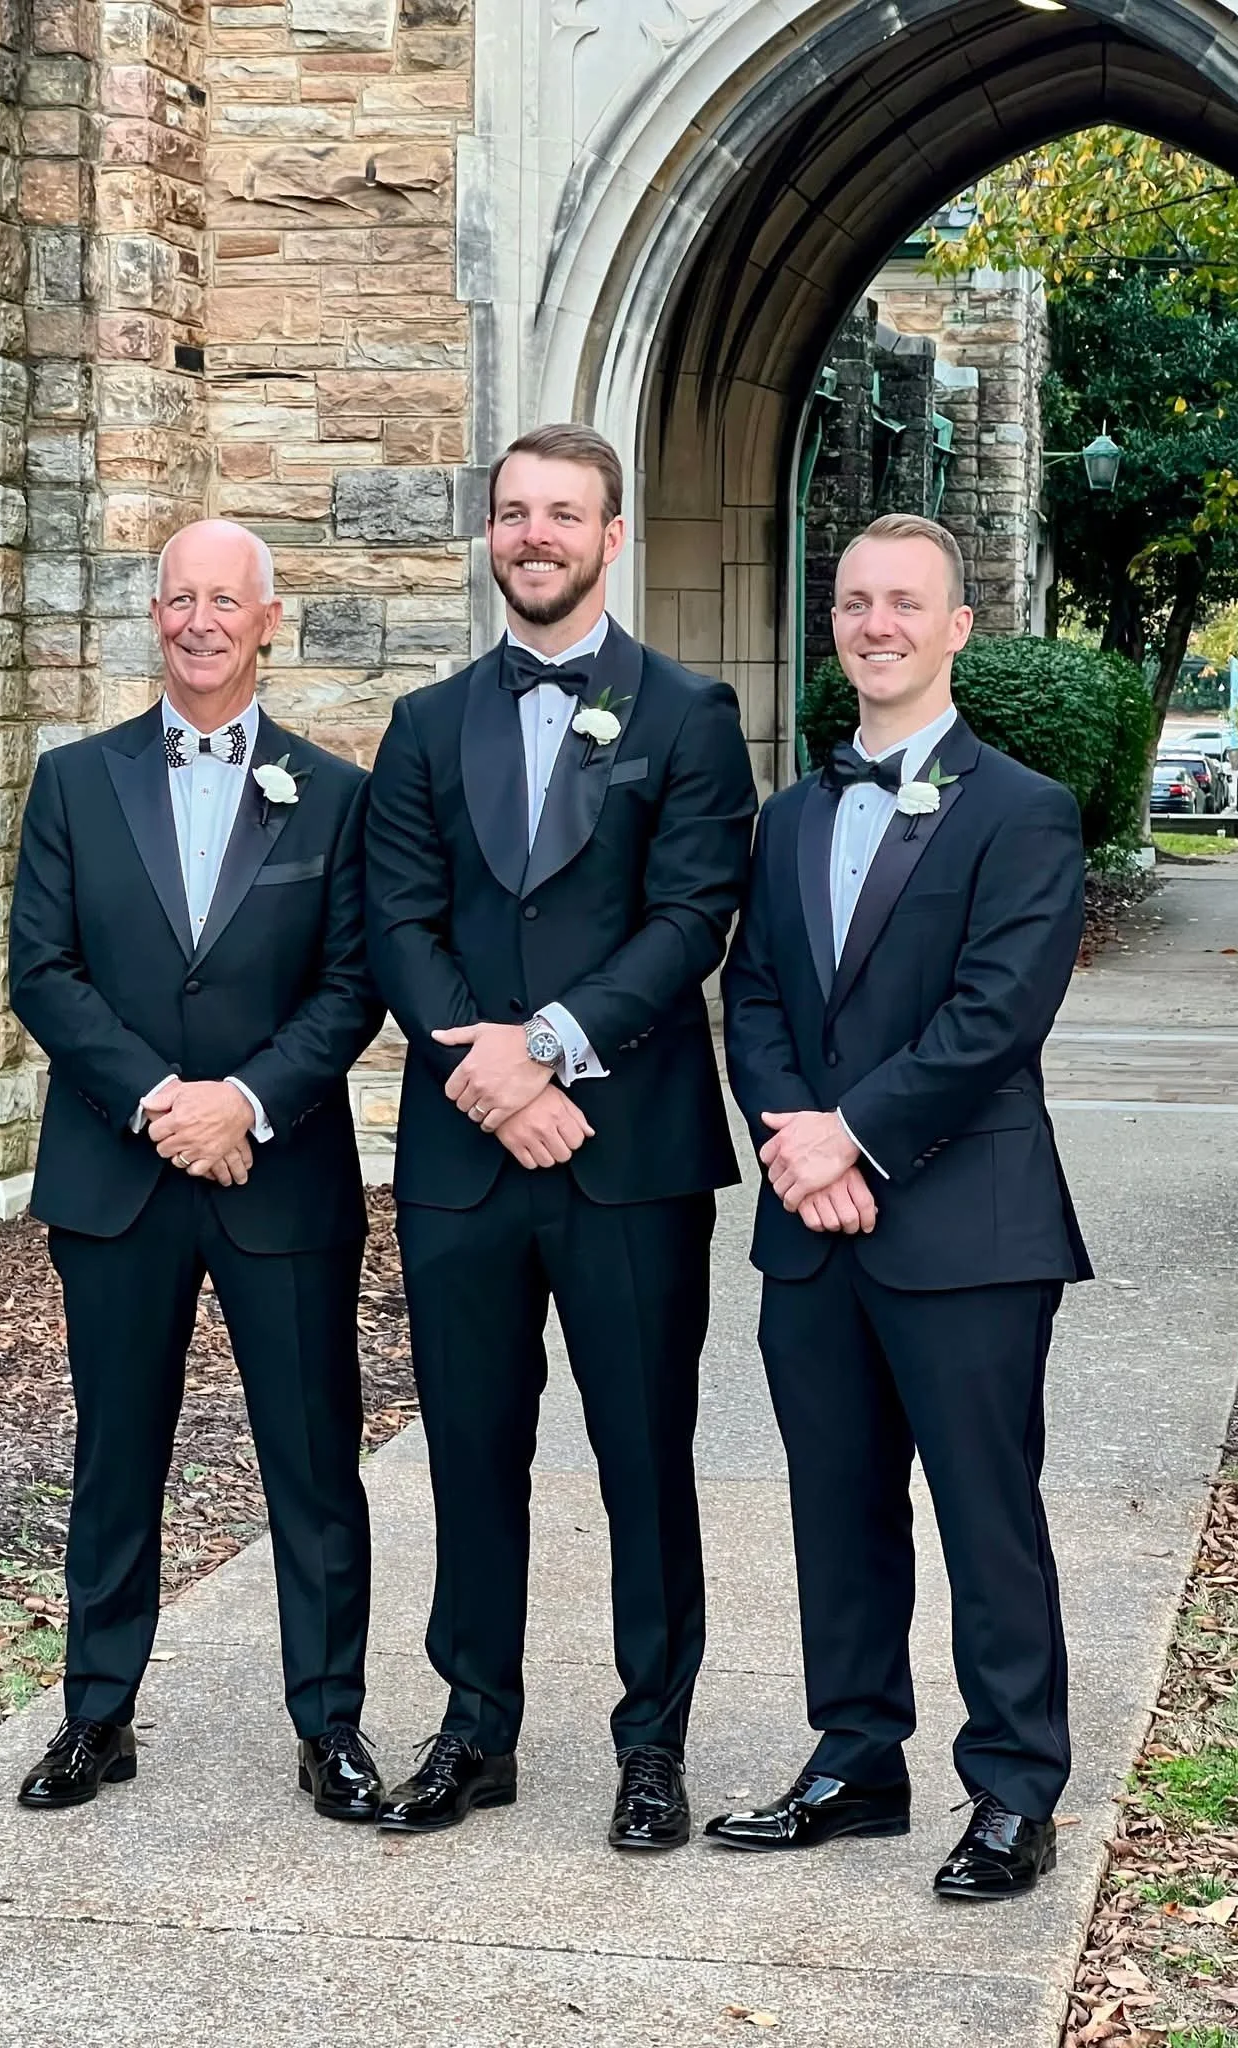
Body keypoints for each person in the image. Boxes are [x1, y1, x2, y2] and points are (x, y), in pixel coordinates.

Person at [364, 424, 758, 1851]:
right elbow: (394, 922)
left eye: (564, 514)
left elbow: (688, 917)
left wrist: (543, 1053)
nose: (536, 535)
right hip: (465, 1162)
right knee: (471, 1449)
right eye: (515, 513)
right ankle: (475, 1727)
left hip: (633, 1153)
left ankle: (651, 1741)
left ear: (613, 537)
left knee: (644, 1454)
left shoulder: (689, 715)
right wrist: (487, 1077)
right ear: (492, 535)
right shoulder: (424, 723)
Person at [710, 513, 1092, 1899]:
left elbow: (996, 1016)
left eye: (904, 604)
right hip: (812, 1232)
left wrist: (853, 1141)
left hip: (968, 1227)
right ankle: (856, 1761)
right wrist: (797, 1150)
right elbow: (753, 997)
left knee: (988, 1514)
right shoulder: (792, 812)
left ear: (957, 629)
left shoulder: (1025, 810)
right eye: (856, 602)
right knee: (837, 1505)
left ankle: (1011, 1790)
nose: (876, 624)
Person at [8, 519, 385, 1821]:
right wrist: (162, 1100)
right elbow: (41, 973)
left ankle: (328, 1726)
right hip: (117, 1177)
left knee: (313, 1460)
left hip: (278, 1181)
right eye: (180, 599)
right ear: (155, 615)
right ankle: (95, 1716)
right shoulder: (72, 781)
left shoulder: (334, 795)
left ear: (267, 618)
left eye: (226, 600)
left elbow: (353, 990)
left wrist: (247, 1102)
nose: (202, 621)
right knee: (117, 1453)